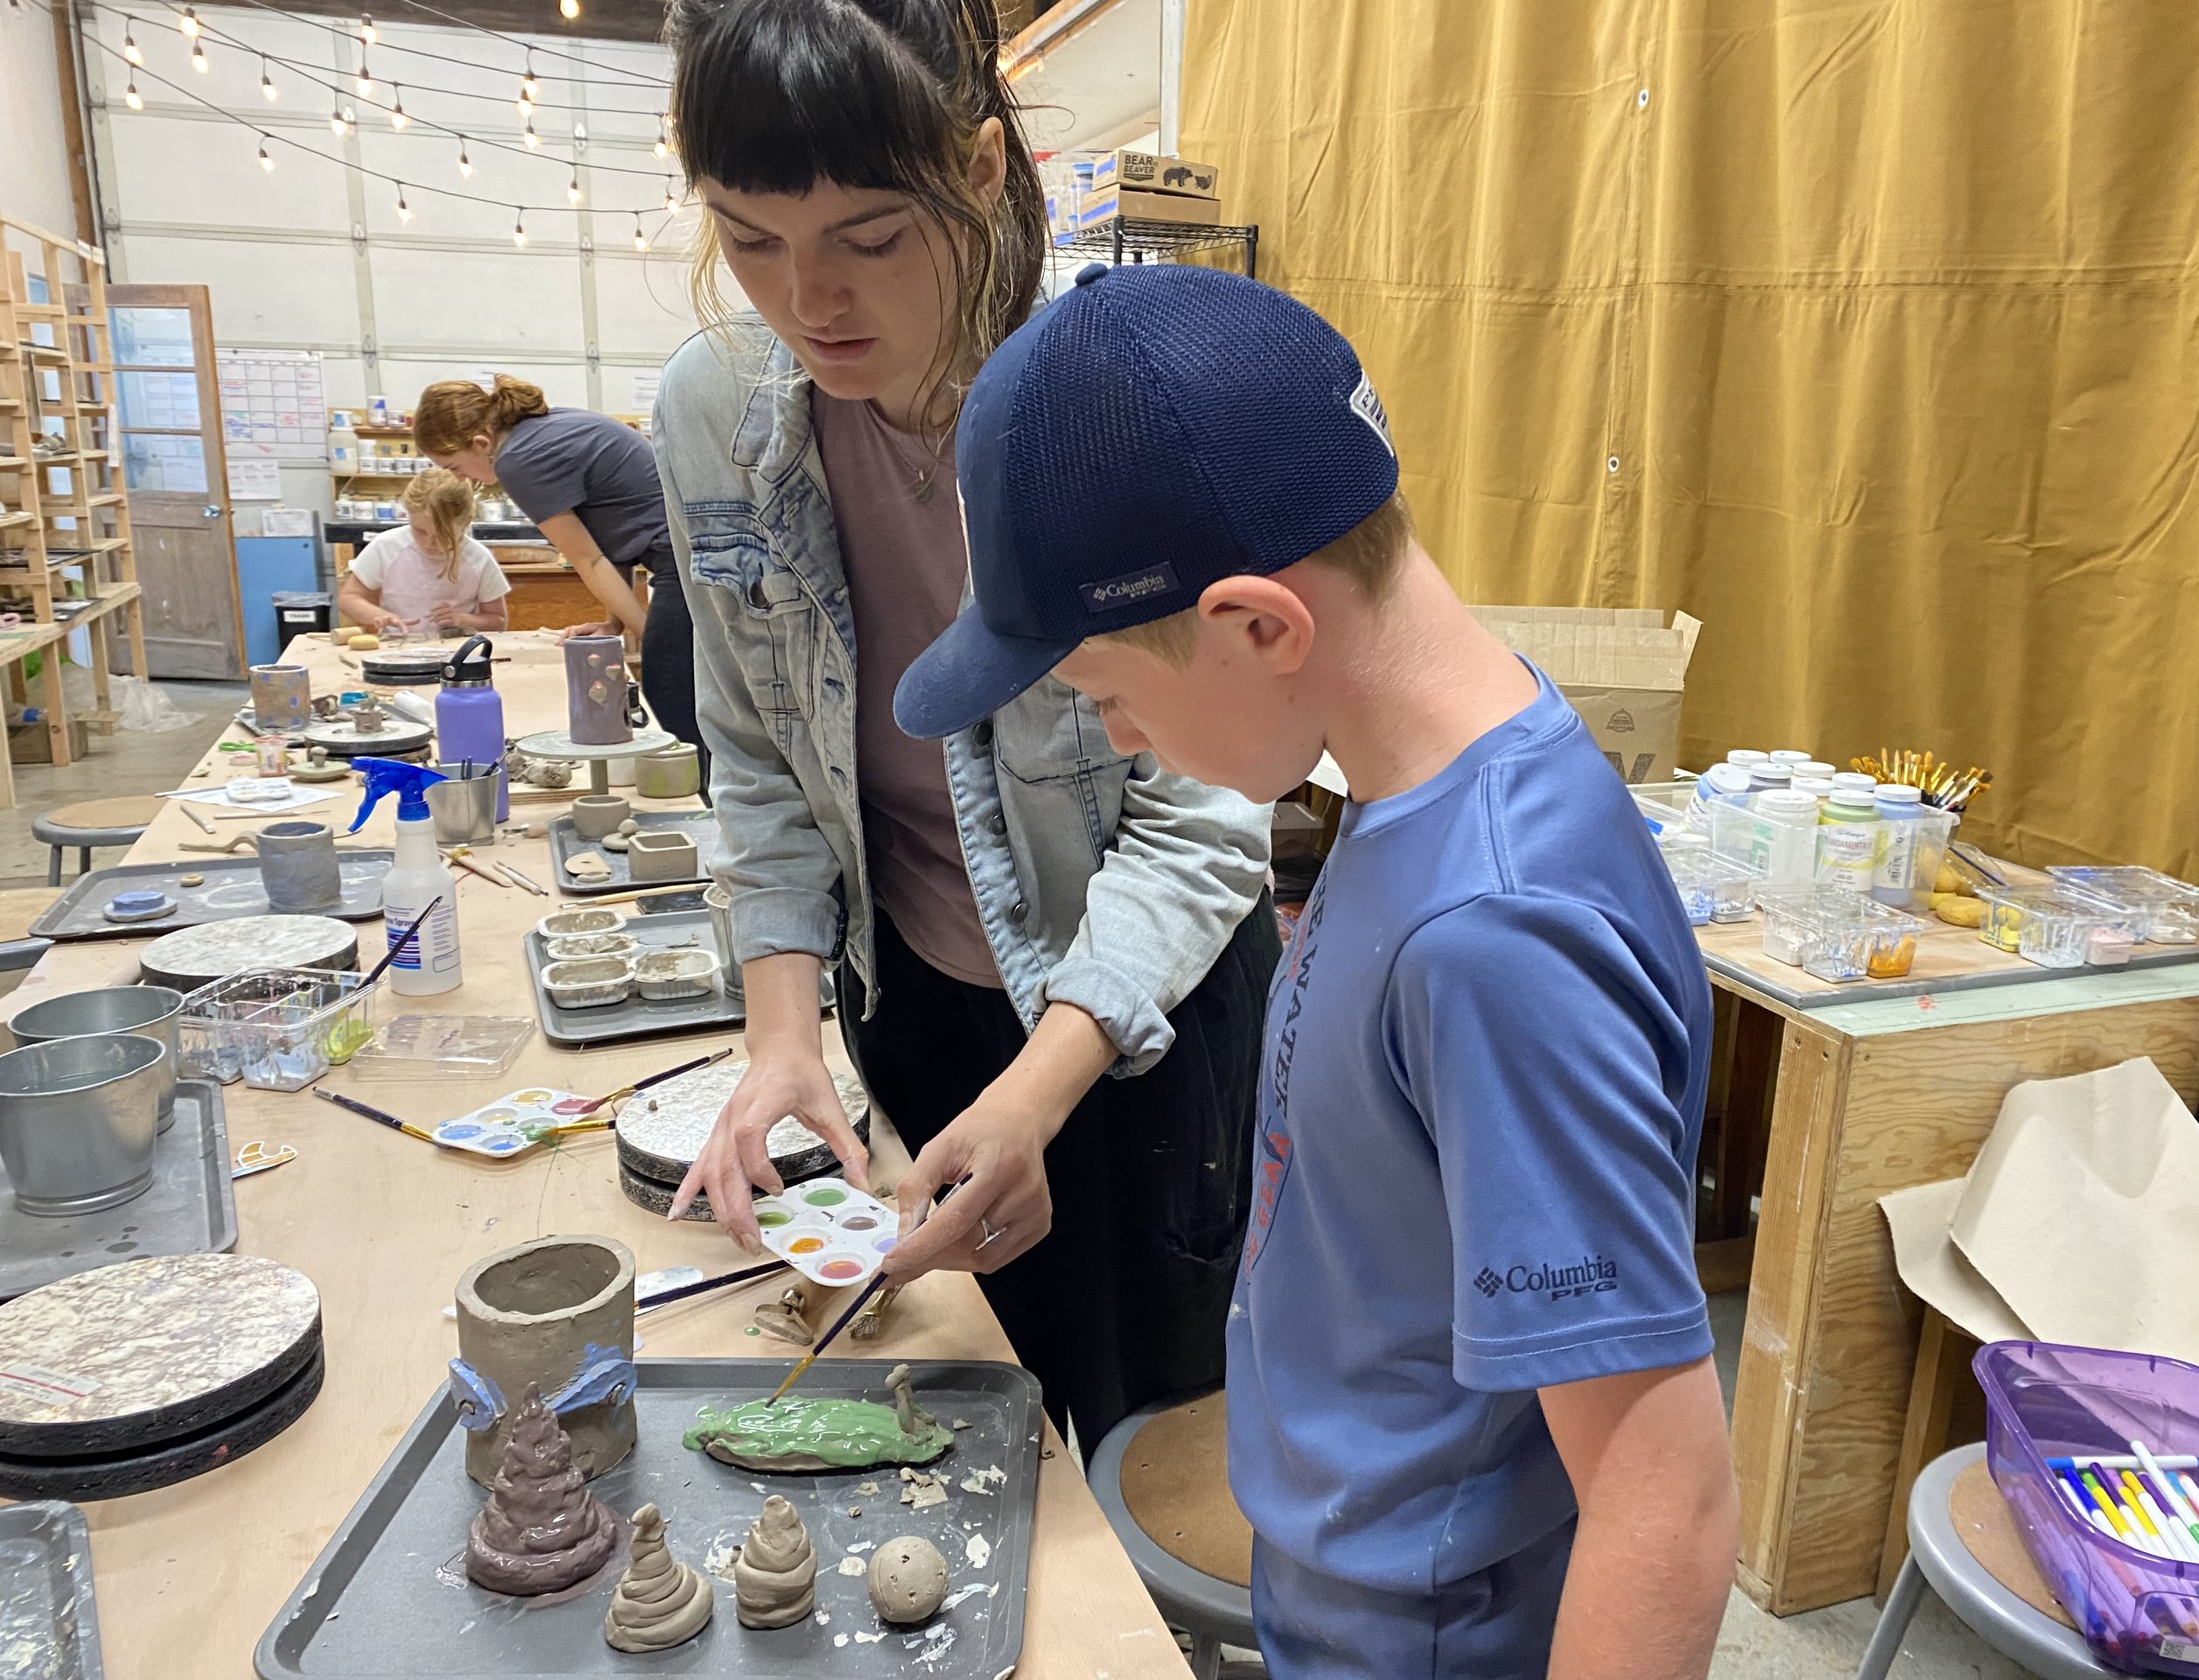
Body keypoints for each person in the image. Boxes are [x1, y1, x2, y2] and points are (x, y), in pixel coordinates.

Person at [893, 263, 1739, 1678]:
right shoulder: (1427, 778)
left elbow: (1668, 1498)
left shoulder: (1494, 937)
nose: (1118, 741)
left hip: (1421, 1632)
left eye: (1106, 696)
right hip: (1355, 1563)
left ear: (1259, 627)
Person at [653, 0, 1278, 1457]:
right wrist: (782, 1038)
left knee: (1146, 1432)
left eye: (870, 237)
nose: (809, 300)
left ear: (981, 169)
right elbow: (757, 756)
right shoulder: (716, 410)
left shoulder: (1115, 398)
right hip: (917, 1006)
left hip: (1139, 1016)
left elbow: (1207, 811)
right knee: (957, 1409)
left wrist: (1042, 1089)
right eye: (749, 239)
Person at [411, 376, 704, 768]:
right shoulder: (538, 431)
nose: (460, 478)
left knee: (669, 688)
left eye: (454, 466)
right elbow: (608, 537)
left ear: (481, 442)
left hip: (684, 556)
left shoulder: (518, 459)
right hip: (682, 550)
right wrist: (614, 624)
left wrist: (647, 637)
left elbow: (589, 560)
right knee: (675, 681)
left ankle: (698, 794)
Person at [338, 467, 509, 636]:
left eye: (442, 535)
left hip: (457, 648)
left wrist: (463, 619)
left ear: (466, 523)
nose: (429, 542)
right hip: (399, 645)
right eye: (420, 531)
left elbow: (499, 621)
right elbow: (348, 598)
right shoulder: (386, 546)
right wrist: (380, 615)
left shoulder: (479, 558)